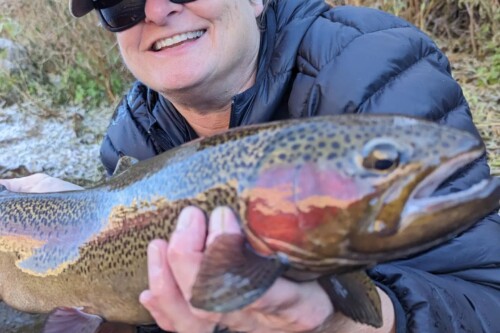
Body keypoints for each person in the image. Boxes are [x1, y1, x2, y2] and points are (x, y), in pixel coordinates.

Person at [1, 0, 499, 332]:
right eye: (120, 1)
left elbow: (487, 298)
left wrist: (341, 325)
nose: (156, 9)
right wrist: (52, 210)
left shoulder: (378, 70)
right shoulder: (130, 137)